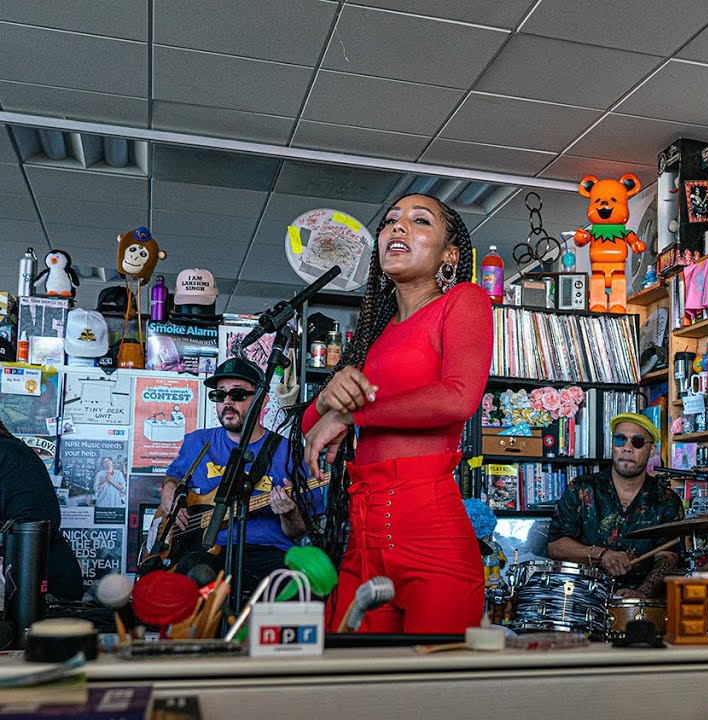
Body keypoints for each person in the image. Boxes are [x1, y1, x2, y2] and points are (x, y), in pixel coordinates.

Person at [300, 193, 492, 634]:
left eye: (419, 221)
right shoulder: (374, 333)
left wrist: (353, 416)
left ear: (450, 255)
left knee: (431, 687)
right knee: (348, 681)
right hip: (363, 533)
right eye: (390, 221)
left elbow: (458, 398)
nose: (398, 228)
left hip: (430, 532)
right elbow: (312, 427)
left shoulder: (463, 300)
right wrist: (330, 398)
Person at [158, 358, 318, 589]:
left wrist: (289, 512)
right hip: (206, 552)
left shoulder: (290, 451)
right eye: (219, 395)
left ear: (263, 401)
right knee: (183, 583)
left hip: (268, 554)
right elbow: (173, 477)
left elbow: (297, 531)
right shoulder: (197, 442)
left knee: (296, 587)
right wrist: (170, 490)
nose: (227, 402)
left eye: (238, 394)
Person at [548, 413, 684, 598]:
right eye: (620, 440)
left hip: (639, 606)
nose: (627, 448)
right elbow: (555, 546)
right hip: (581, 598)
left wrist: (640, 594)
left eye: (637, 442)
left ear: (651, 450)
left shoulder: (667, 500)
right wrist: (601, 554)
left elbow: (668, 557)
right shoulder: (581, 488)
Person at [0, 420, 83, 601]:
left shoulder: (9, 453)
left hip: (39, 589)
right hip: (40, 579)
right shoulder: (12, 450)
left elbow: (32, 521)